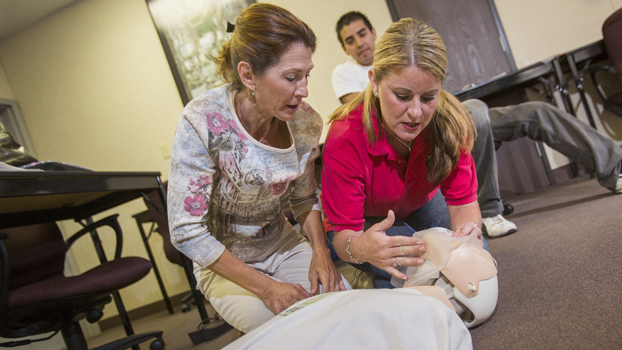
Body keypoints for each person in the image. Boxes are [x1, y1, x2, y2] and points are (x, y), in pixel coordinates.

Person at [331, 11, 622, 237]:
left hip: (445, 117)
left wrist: (436, 102)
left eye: (361, 34)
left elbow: (425, 102)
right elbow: (373, 111)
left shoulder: (414, 59)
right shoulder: (346, 75)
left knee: (525, 112)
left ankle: (614, 165)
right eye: (350, 40)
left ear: (373, 32)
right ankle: (490, 208)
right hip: (410, 132)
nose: (359, 43)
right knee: (474, 112)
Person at [167, 3, 348, 334]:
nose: (304, 90)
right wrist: (267, 288)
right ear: (248, 74)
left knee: (339, 311)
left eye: (306, 75)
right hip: (225, 263)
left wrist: (320, 251)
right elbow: (186, 231)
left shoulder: (306, 123)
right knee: (285, 332)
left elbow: (305, 199)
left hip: (281, 244)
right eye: (291, 77)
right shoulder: (205, 121)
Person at [322, 18, 484, 289]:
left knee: (473, 268)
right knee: (414, 279)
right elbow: (343, 236)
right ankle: (369, 273)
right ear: (373, 82)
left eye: (429, 97)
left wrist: (468, 234)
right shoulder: (344, 136)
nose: (416, 113)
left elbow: (464, 206)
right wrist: (361, 250)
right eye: (402, 96)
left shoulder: (451, 124)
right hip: (363, 221)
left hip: (420, 202)